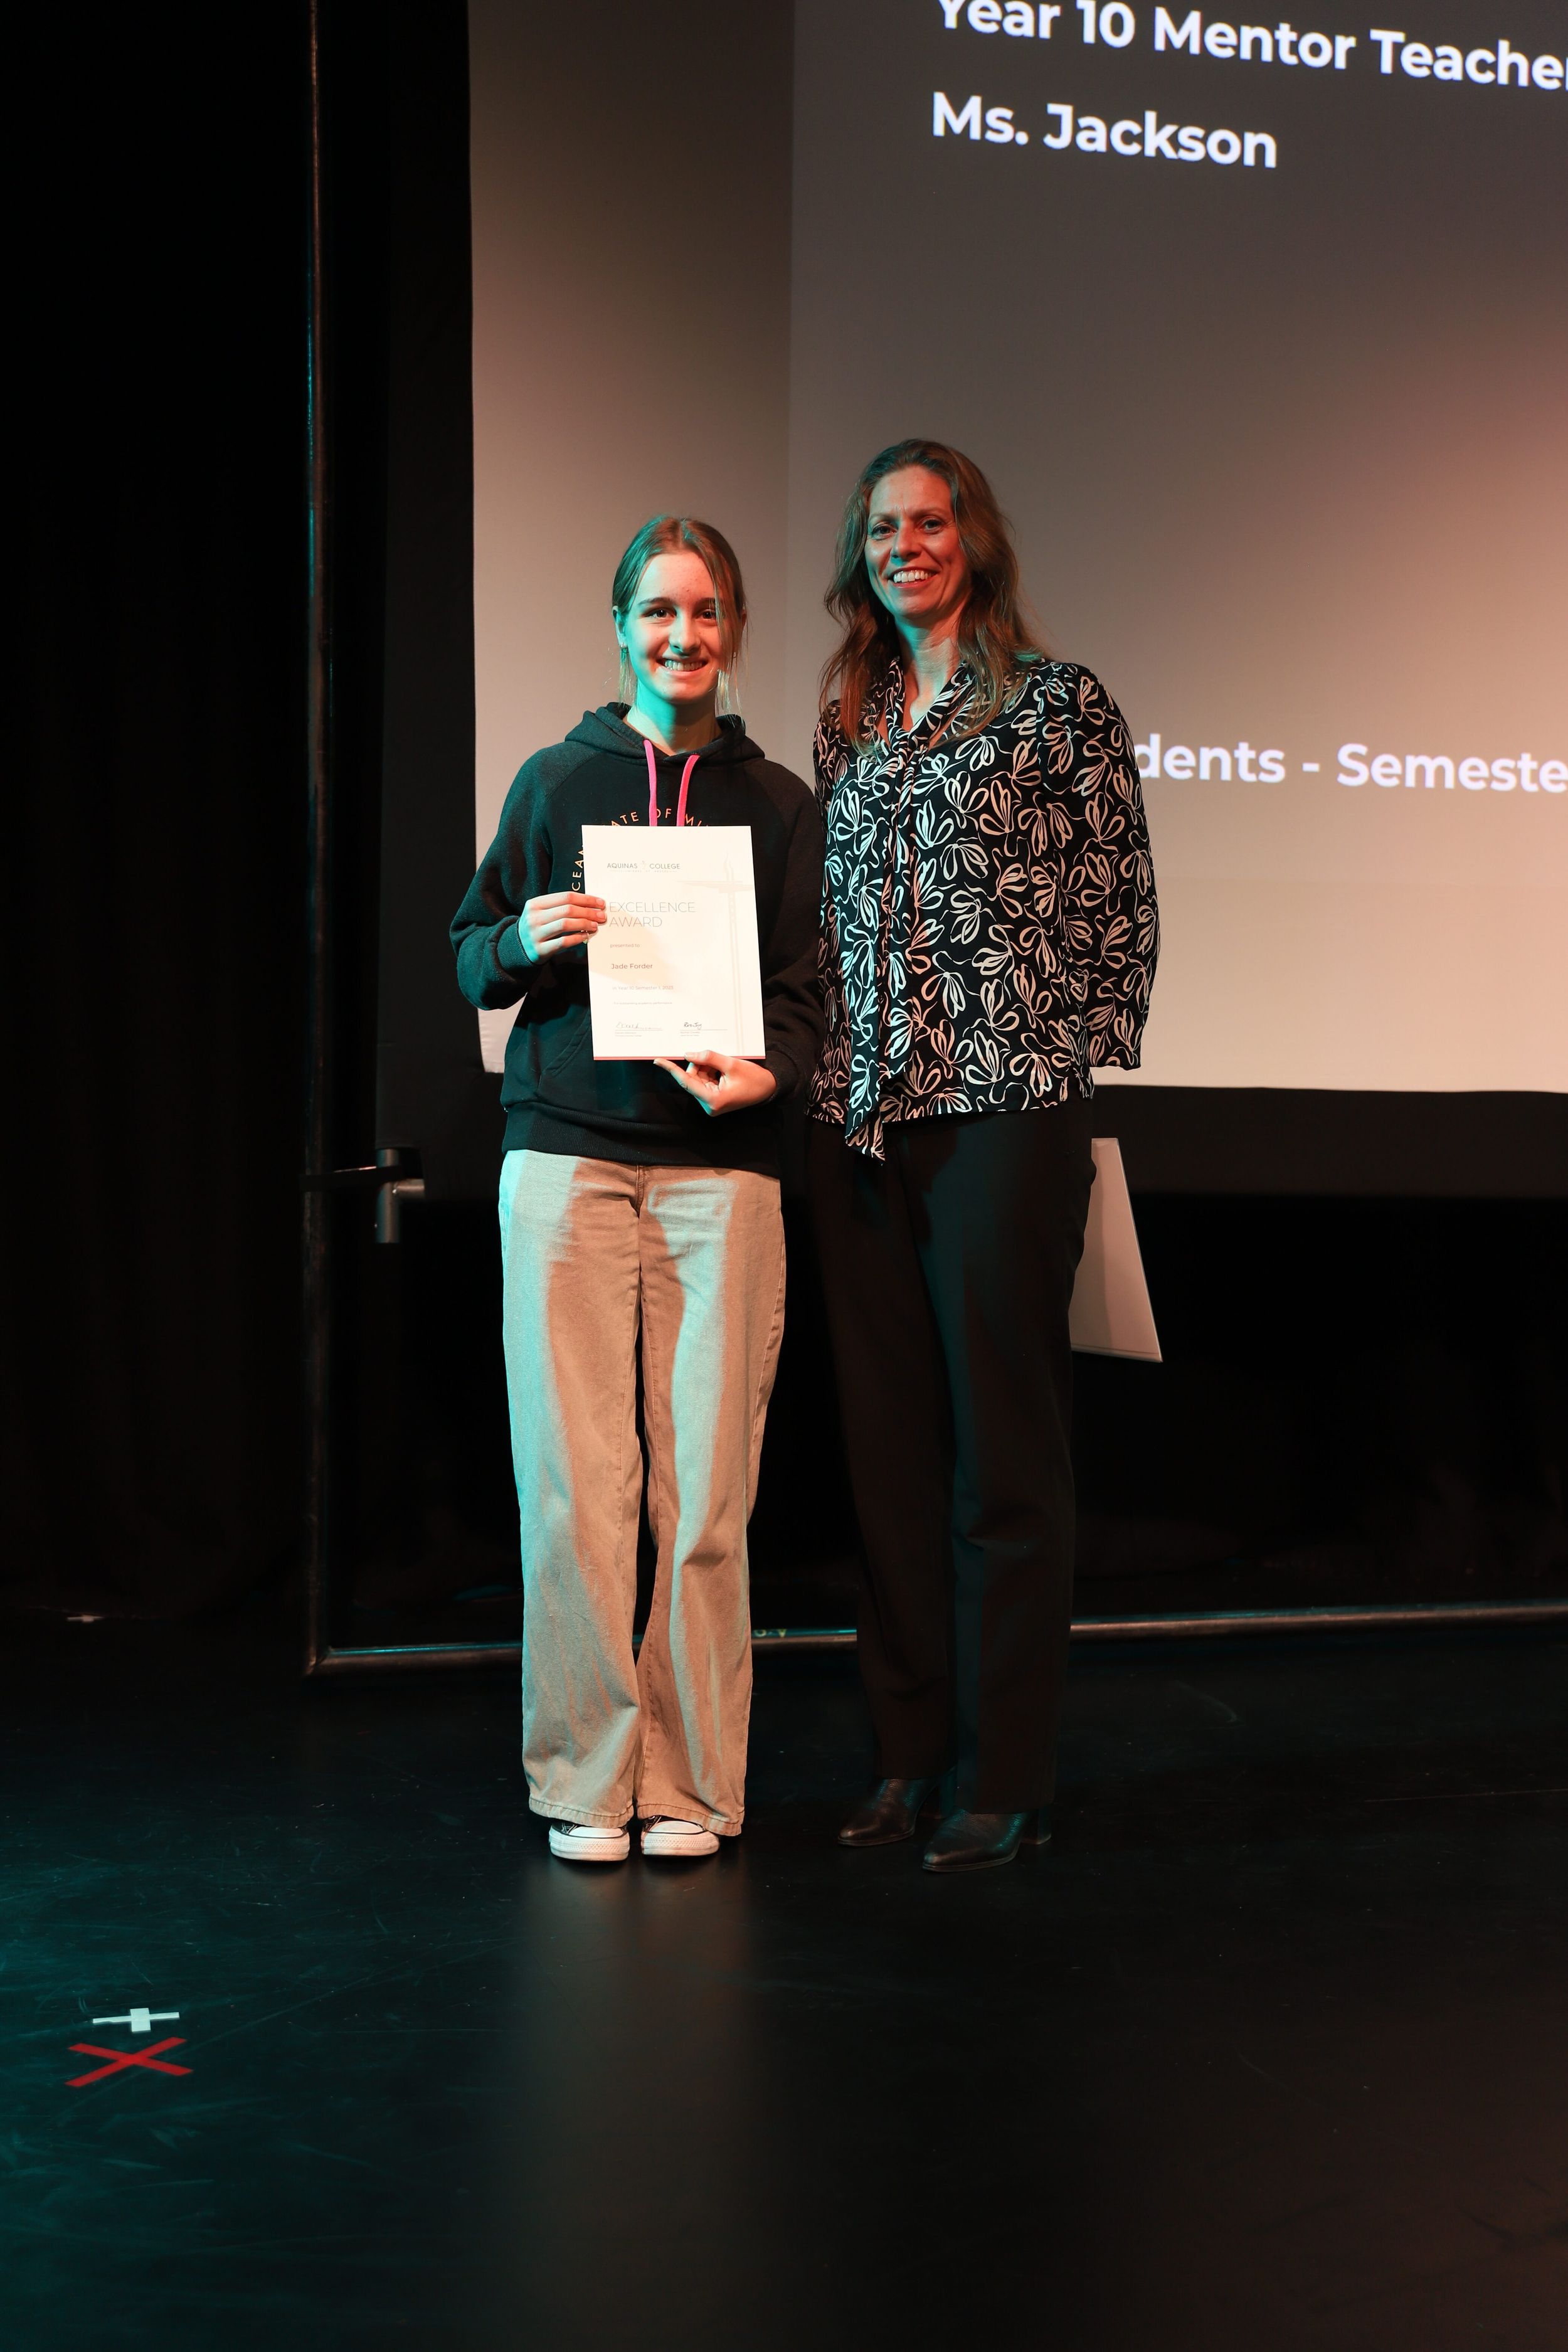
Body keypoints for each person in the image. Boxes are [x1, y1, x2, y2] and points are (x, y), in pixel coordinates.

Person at [807, 439, 1158, 1873]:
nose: (905, 544)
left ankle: (1001, 1774)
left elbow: (1119, 908)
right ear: (861, 553)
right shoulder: (850, 715)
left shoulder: (1057, 704)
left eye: (929, 521)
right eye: (882, 527)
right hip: (858, 1123)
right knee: (888, 1458)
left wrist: (1046, 1051)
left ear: (974, 541)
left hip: (1002, 1115)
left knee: (1001, 1456)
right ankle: (905, 1759)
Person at [452, 517, 824, 1863]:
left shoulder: (779, 801)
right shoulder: (557, 779)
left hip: (720, 1173)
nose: (683, 635)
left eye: (706, 611)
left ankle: (692, 1784)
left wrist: (768, 1072)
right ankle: (587, 1782)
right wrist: (521, 933)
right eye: (658, 611)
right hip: (567, 1155)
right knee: (573, 1490)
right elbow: (471, 952)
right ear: (620, 628)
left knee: (707, 1498)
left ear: (734, 630)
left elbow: (808, 996)